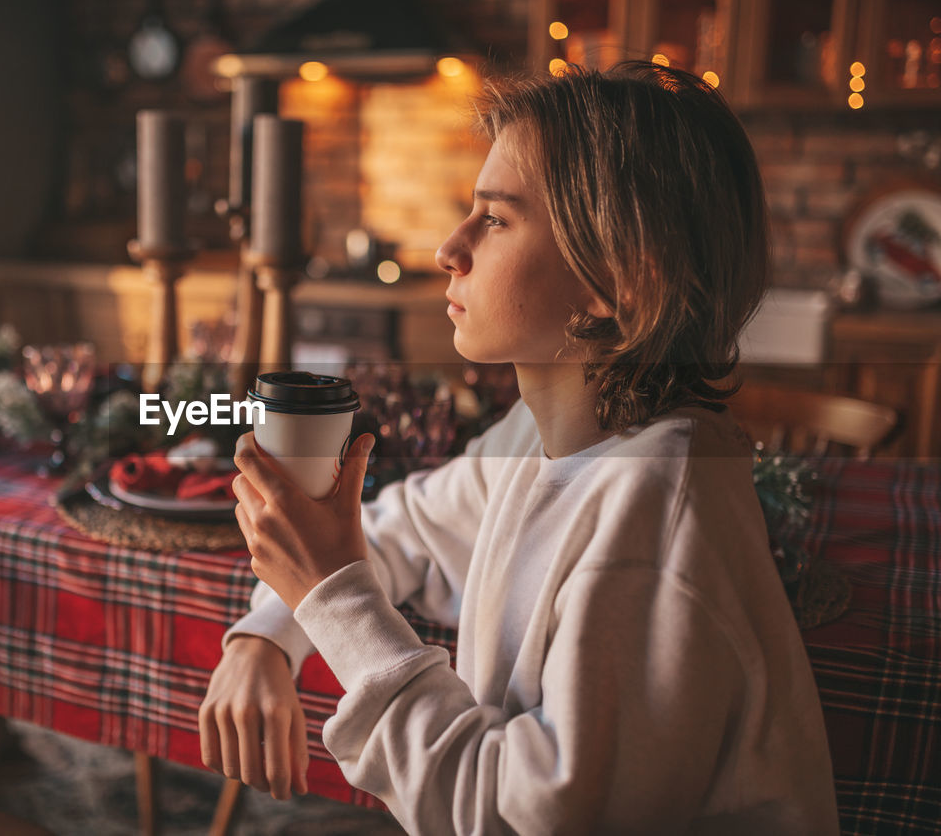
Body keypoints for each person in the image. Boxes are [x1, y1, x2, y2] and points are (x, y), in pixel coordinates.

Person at [200, 61, 839, 835]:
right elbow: (406, 528)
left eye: (496, 219)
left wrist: (334, 596)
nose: (448, 247)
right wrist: (268, 635)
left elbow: (513, 821)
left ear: (620, 275)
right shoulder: (535, 439)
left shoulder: (659, 505)